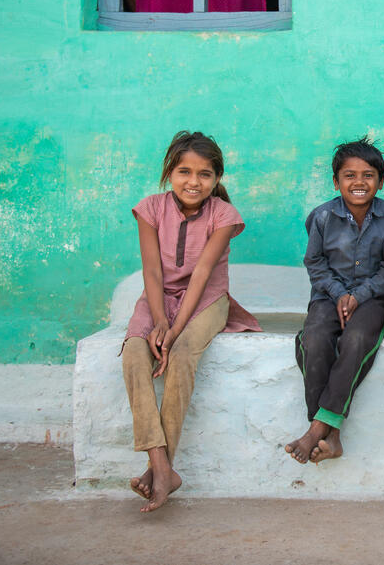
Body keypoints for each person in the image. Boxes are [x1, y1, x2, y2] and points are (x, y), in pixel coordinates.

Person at [122, 131, 261, 512]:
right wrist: (157, 322)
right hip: (157, 298)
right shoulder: (150, 208)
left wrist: (173, 331)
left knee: (180, 355)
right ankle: (161, 465)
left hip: (206, 301)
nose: (193, 182)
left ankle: (160, 472)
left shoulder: (223, 215)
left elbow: (201, 275)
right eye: (184, 171)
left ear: (217, 179)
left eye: (204, 174)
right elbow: (152, 271)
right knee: (134, 355)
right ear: (169, 173)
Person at [285, 138, 384, 465]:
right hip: (327, 297)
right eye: (350, 175)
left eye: (368, 175)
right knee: (314, 339)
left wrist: (358, 296)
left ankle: (315, 429)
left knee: (357, 340)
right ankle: (330, 435)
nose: (359, 182)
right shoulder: (321, 217)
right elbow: (315, 263)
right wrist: (339, 295)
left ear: (380, 181)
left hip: (374, 299)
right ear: (336, 181)